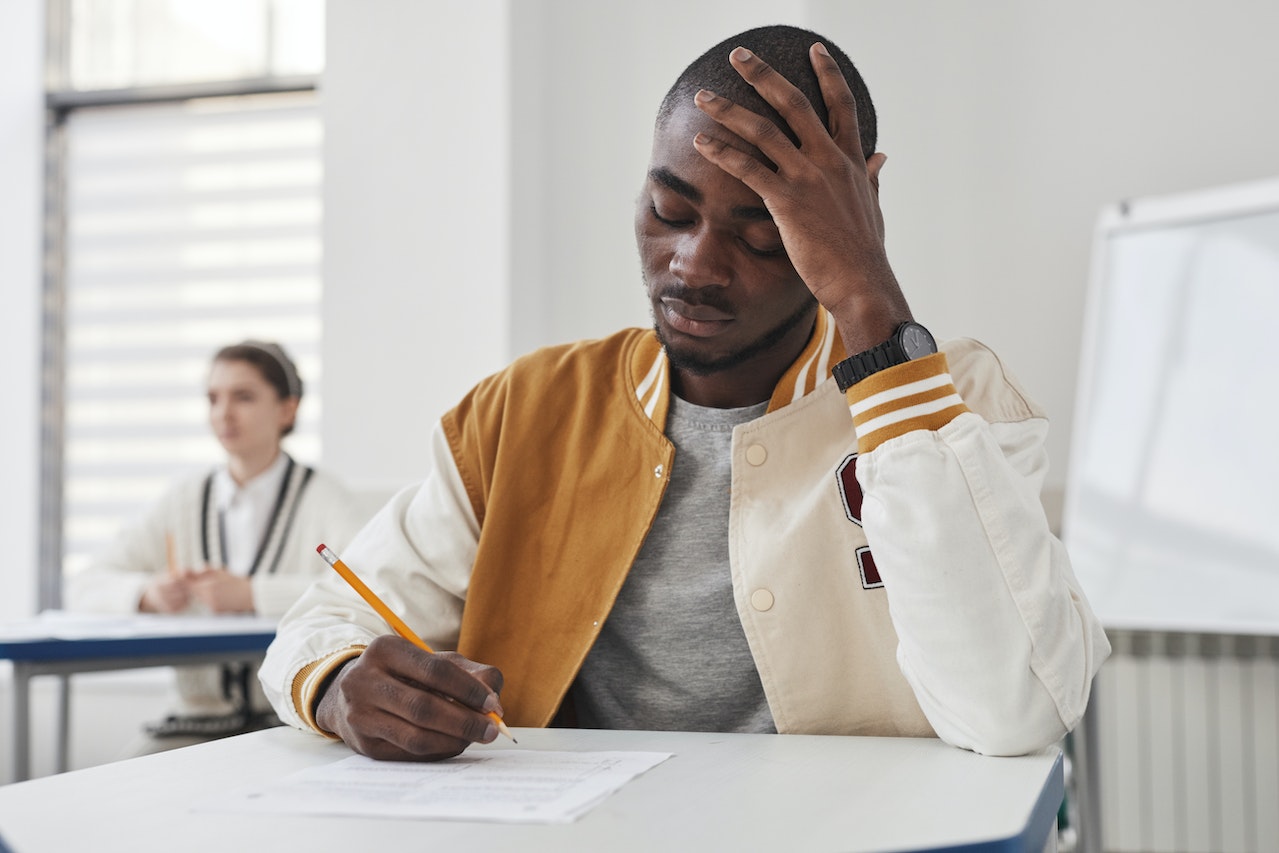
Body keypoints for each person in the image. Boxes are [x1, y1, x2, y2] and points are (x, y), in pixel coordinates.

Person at [261, 24, 1110, 761]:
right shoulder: (529, 408)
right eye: (669, 212)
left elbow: (1014, 711)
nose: (694, 265)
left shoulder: (946, 395)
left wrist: (866, 299)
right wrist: (338, 683)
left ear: (850, 214)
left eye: (762, 232)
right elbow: (329, 616)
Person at [67, 340, 362, 751]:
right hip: (191, 725)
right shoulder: (182, 498)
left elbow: (363, 589)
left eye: (243, 397)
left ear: (287, 409)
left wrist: (252, 594)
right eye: (213, 398)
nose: (223, 413)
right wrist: (146, 594)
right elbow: (84, 584)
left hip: (291, 725)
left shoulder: (326, 498)